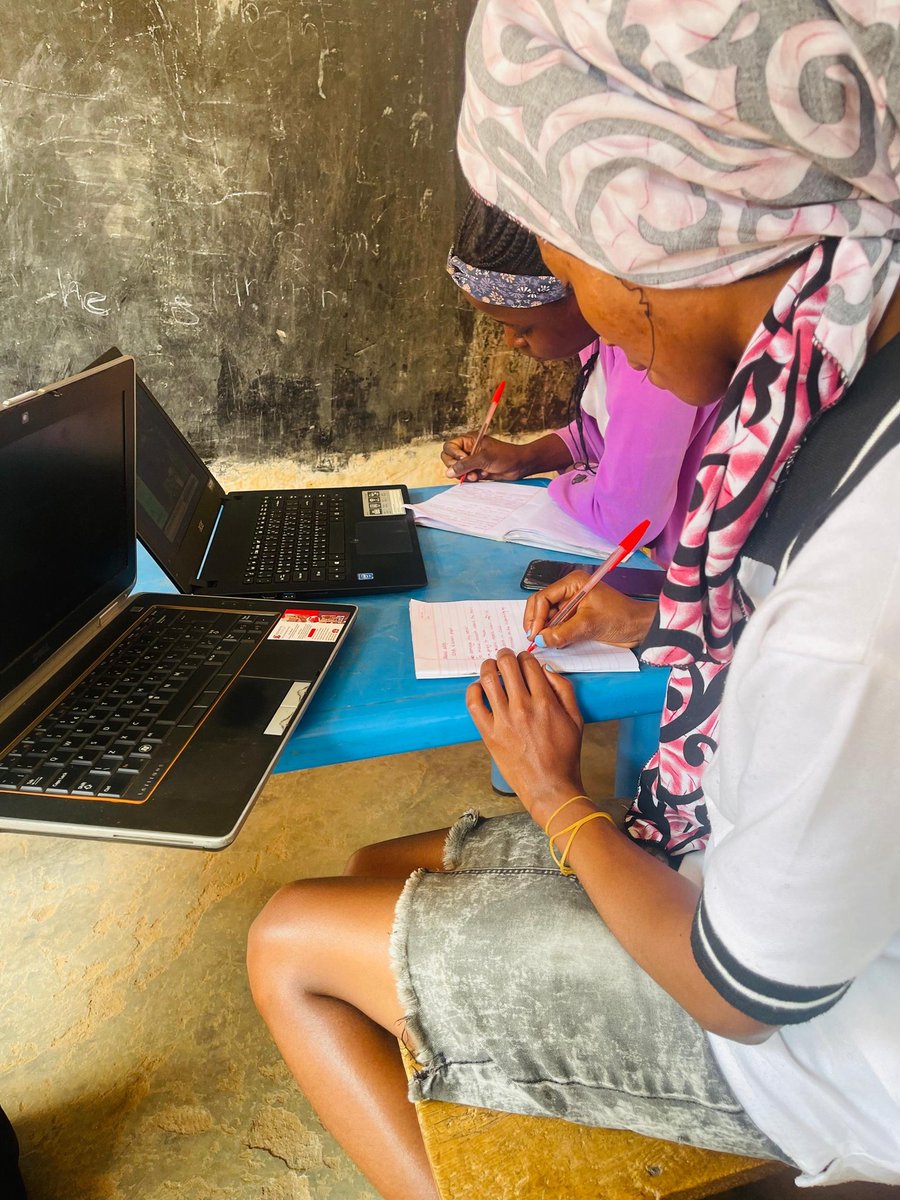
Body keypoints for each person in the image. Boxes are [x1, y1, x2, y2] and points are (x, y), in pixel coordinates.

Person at [246, 4, 900, 1199]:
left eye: (566, 269)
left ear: (669, 221)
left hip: (824, 1045)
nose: (587, 325)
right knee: (374, 864)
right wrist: (653, 622)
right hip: (762, 881)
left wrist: (557, 796)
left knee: (290, 936)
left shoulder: (864, 600)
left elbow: (740, 996)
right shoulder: (835, 393)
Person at [442, 192, 720, 572]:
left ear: (579, 287)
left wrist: (556, 490)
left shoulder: (649, 351)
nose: (511, 342)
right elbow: (611, 435)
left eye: (521, 327)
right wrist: (527, 458)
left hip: (709, 579)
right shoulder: (603, 340)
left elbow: (626, 519)